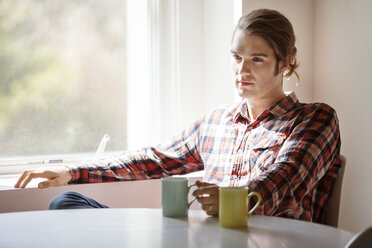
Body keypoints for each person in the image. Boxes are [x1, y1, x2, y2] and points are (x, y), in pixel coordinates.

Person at [14, 9, 341, 224]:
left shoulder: (314, 119)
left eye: (256, 59)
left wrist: (232, 200)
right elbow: (149, 160)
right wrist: (71, 172)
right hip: (203, 240)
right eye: (237, 57)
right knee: (66, 202)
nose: (242, 70)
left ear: (283, 64)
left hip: (269, 242)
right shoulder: (217, 121)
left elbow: (283, 181)